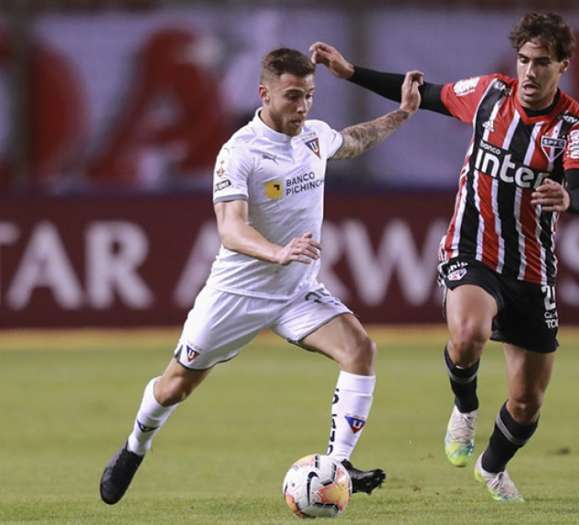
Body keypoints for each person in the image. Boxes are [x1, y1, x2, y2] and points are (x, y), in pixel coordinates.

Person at [99, 48, 422, 505]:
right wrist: (278, 251)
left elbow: (353, 140)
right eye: (292, 96)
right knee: (176, 386)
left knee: (360, 349)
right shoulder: (240, 152)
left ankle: (338, 464)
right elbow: (231, 229)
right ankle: (135, 446)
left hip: (295, 291)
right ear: (264, 94)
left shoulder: (314, 137)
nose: (303, 107)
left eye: (309, 95)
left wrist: (403, 114)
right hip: (238, 292)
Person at [311, 11, 579, 502]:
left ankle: (491, 467)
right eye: (524, 60)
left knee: (527, 402)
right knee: (469, 334)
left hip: (531, 268)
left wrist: (570, 198)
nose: (530, 72)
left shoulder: (575, 125)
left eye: (543, 63)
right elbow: (423, 94)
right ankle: (464, 408)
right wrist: (351, 71)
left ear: (564, 66)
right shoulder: (489, 94)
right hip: (473, 247)